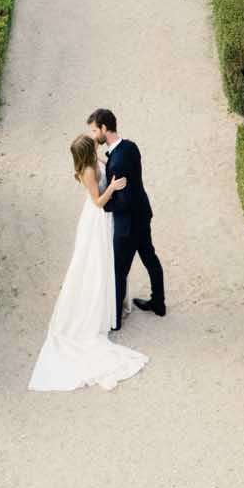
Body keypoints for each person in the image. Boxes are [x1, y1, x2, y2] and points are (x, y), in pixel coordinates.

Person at [28, 134, 148, 394]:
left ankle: (114, 302)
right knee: (96, 265)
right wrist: (112, 188)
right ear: (87, 150)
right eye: (92, 140)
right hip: (97, 221)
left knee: (107, 263)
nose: (96, 139)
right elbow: (97, 201)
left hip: (104, 219)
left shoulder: (95, 160)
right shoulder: (89, 171)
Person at [88, 107, 166, 331]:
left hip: (127, 225)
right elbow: (127, 176)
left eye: (95, 130)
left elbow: (123, 200)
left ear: (104, 128)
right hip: (143, 214)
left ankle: (115, 321)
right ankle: (158, 304)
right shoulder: (129, 147)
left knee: (118, 271)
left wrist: (105, 204)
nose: (94, 135)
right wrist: (104, 164)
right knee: (150, 258)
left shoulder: (118, 161)